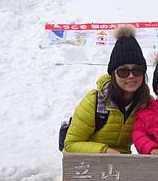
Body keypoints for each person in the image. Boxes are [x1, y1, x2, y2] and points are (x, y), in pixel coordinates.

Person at [63, 25, 151, 154]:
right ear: (113, 74)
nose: (131, 76)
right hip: (92, 163)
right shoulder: (95, 101)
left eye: (137, 70)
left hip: (123, 166)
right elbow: (71, 144)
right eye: (123, 71)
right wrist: (105, 151)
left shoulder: (146, 104)